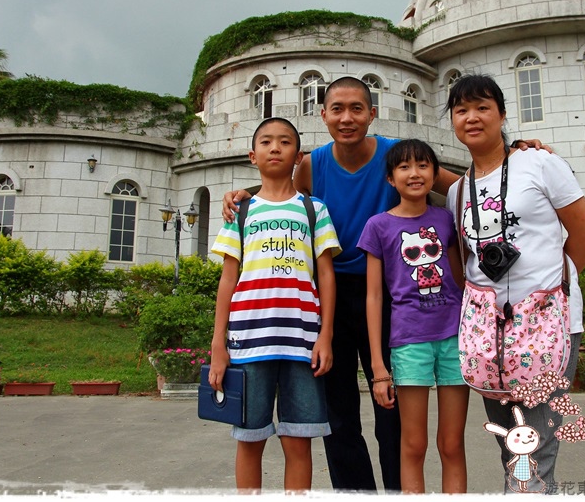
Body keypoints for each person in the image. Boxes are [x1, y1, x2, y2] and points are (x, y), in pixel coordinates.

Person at [223, 76, 546, 492]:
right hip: (332, 295)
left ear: (372, 113)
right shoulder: (312, 165)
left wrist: (514, 154)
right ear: (323, 115)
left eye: (357, 108)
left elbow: (460, 185)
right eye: (336, 109)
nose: (346, 118)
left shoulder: (395, 155)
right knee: (339, 414)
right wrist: (241, 195)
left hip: (395, 297)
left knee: (393, 411)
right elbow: (278, 188)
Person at [444, 74, 585, 495]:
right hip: (489, 332)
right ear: (453, 121)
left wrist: (557, 287)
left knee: (537, 441)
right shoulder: (457, 192)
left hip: (546, 324)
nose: (472, 117)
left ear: (502, 115)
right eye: (461, 110)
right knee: (510, 439)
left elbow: (584, 230)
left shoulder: (540, 163)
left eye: (482, 107)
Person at [208, 117, 340, 492]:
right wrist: (219, 343)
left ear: (298, 157)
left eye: (284, 142)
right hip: (248, 344)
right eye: (266, 142)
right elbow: (228, 279)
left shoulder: (314, 210)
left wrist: (325, 335)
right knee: (249, 440)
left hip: (302, 345)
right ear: (253, 155)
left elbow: (326, 276)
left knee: (299, 442)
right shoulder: (241, 213)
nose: (275, 147)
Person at [357, 139, 469, 494]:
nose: (415, 173)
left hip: (454, 339)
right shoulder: (377, 226)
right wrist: (377, 365)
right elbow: (374, 297)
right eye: (404, 167)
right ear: (391, 178)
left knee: (452, 444)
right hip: (408, 343)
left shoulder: (446, 219)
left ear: (435, 174)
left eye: (423, 165)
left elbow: (461, 281)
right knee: (413, 445)